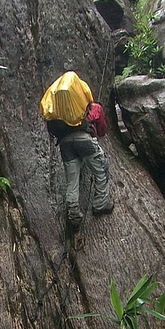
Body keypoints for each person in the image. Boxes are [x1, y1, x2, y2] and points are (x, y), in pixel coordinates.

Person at [44, 75, 114, 225]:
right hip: (85, 141)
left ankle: (74, 213)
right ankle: (100, 204)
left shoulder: (59, 116)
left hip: (65, 145)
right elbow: (102, 130)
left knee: (72, 180)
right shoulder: (93, 108)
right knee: (101, 169)